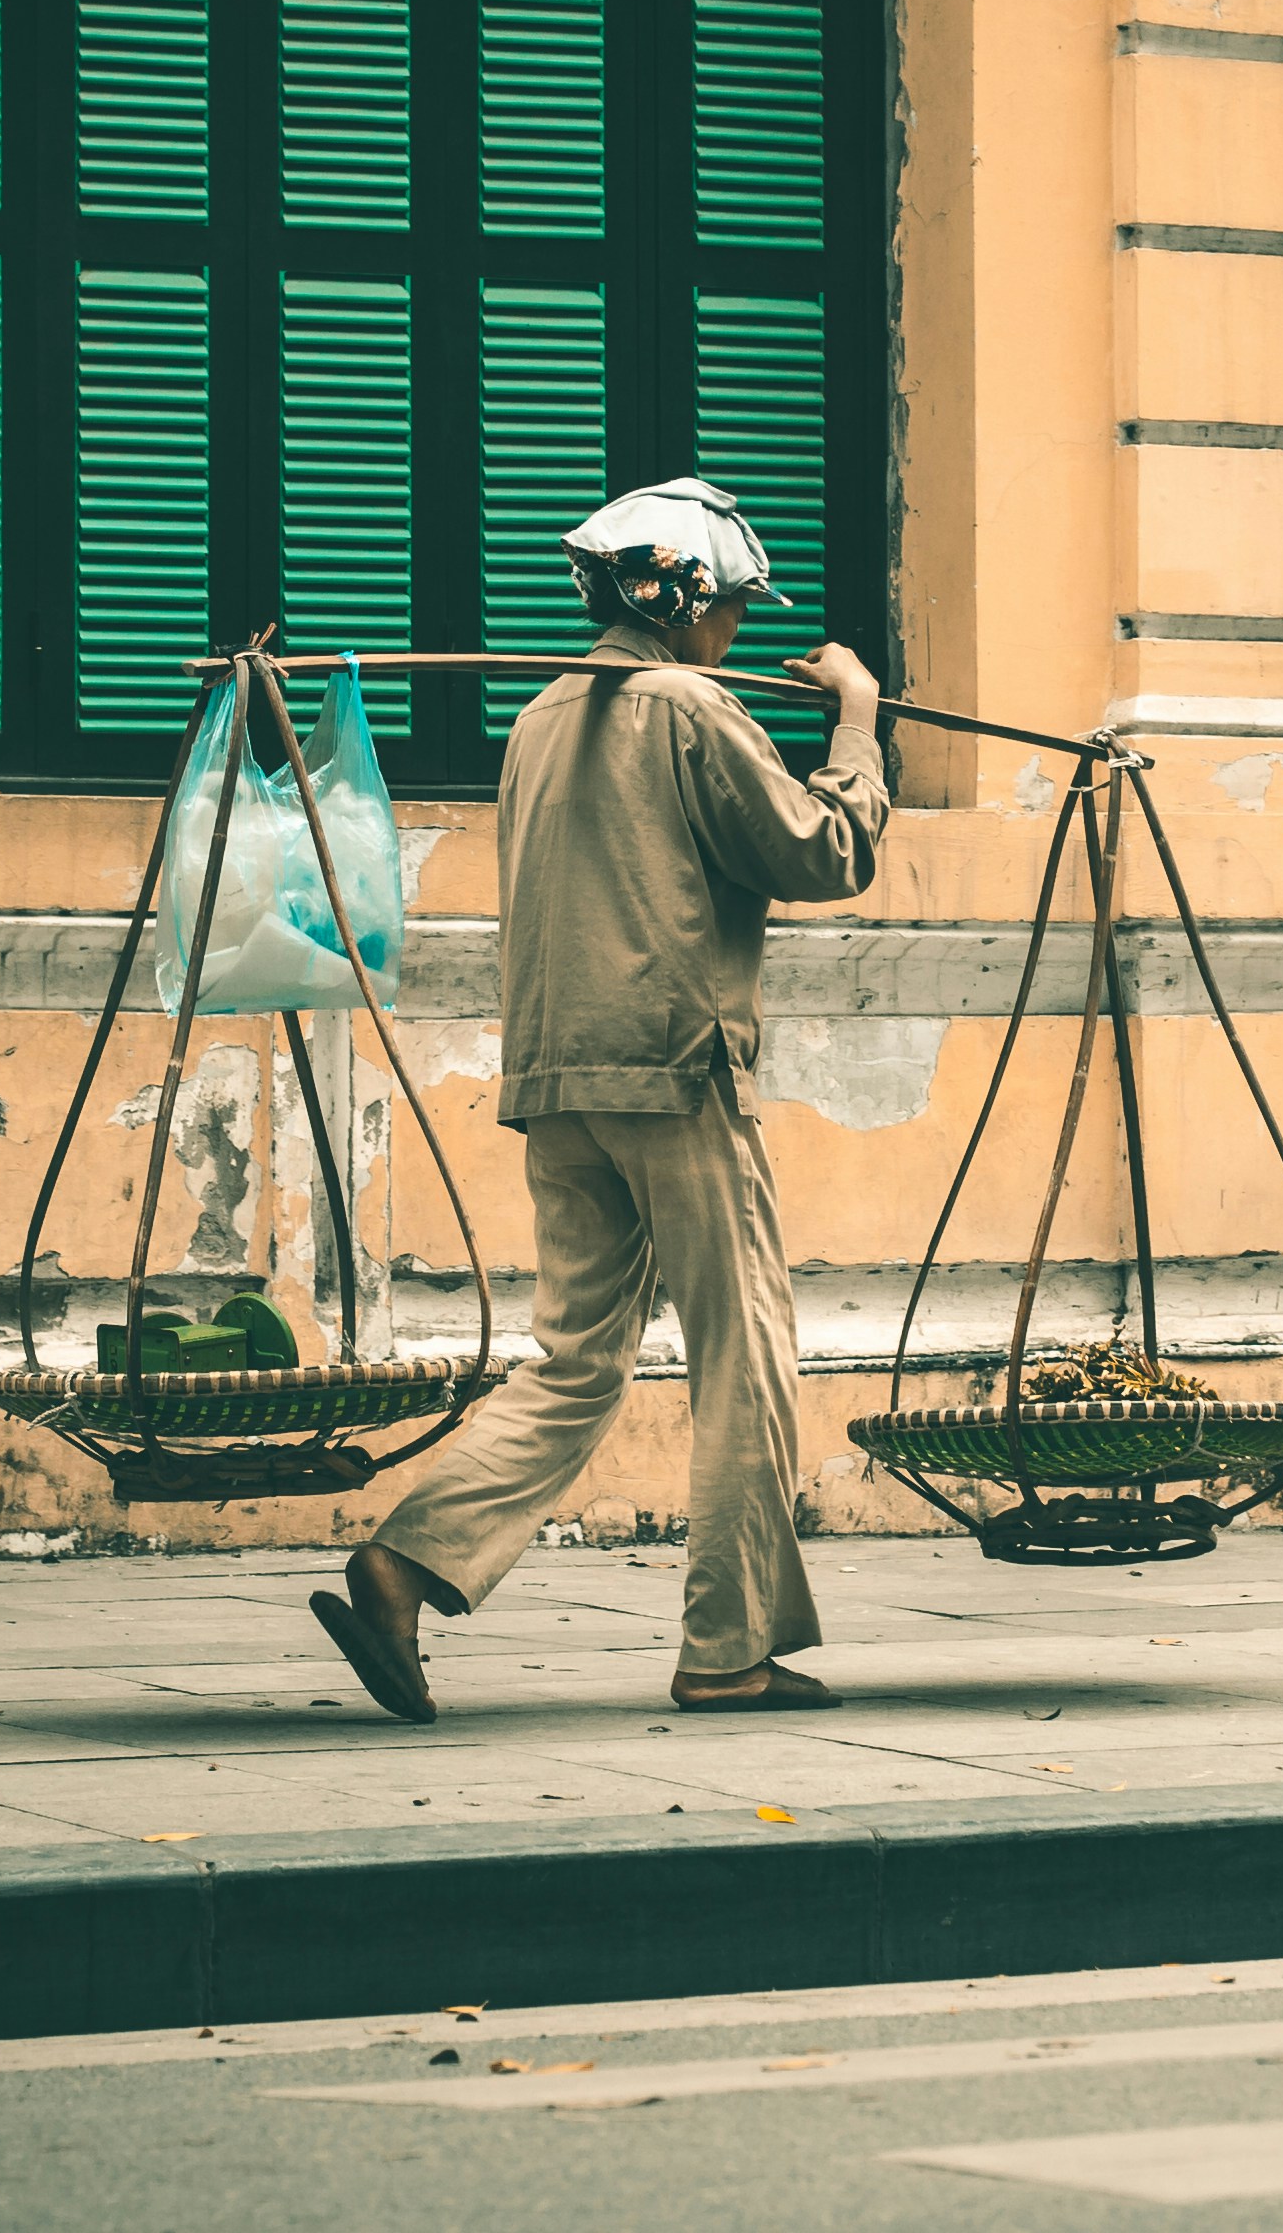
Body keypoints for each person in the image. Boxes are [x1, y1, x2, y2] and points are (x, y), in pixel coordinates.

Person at [312, 478, 887, 1724]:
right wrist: (856, 720)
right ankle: (728, 1648)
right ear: (674, 600)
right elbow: (824, 853)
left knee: (578, 1362)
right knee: (748, 1358)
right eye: (729, 606)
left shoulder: (538, 717)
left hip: (558, 1077)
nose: (736, 629)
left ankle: (403, 1566)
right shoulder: (691, 706)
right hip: (674, 1071)